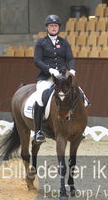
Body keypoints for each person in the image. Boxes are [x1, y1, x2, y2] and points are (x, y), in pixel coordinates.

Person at [33, 14, 76, 142]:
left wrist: (72, 69)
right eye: (51, 26)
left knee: (79, 94)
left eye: (56, 26)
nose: (53, 28)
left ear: (58, 28)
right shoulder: (41, 43)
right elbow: (37, 61)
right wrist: (49, 69)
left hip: (62, 78)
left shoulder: (64, 42)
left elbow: (70, 58)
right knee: (40, 97)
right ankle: (38, 131)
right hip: (46, 77)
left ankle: (78, 127)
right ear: (47, 27)